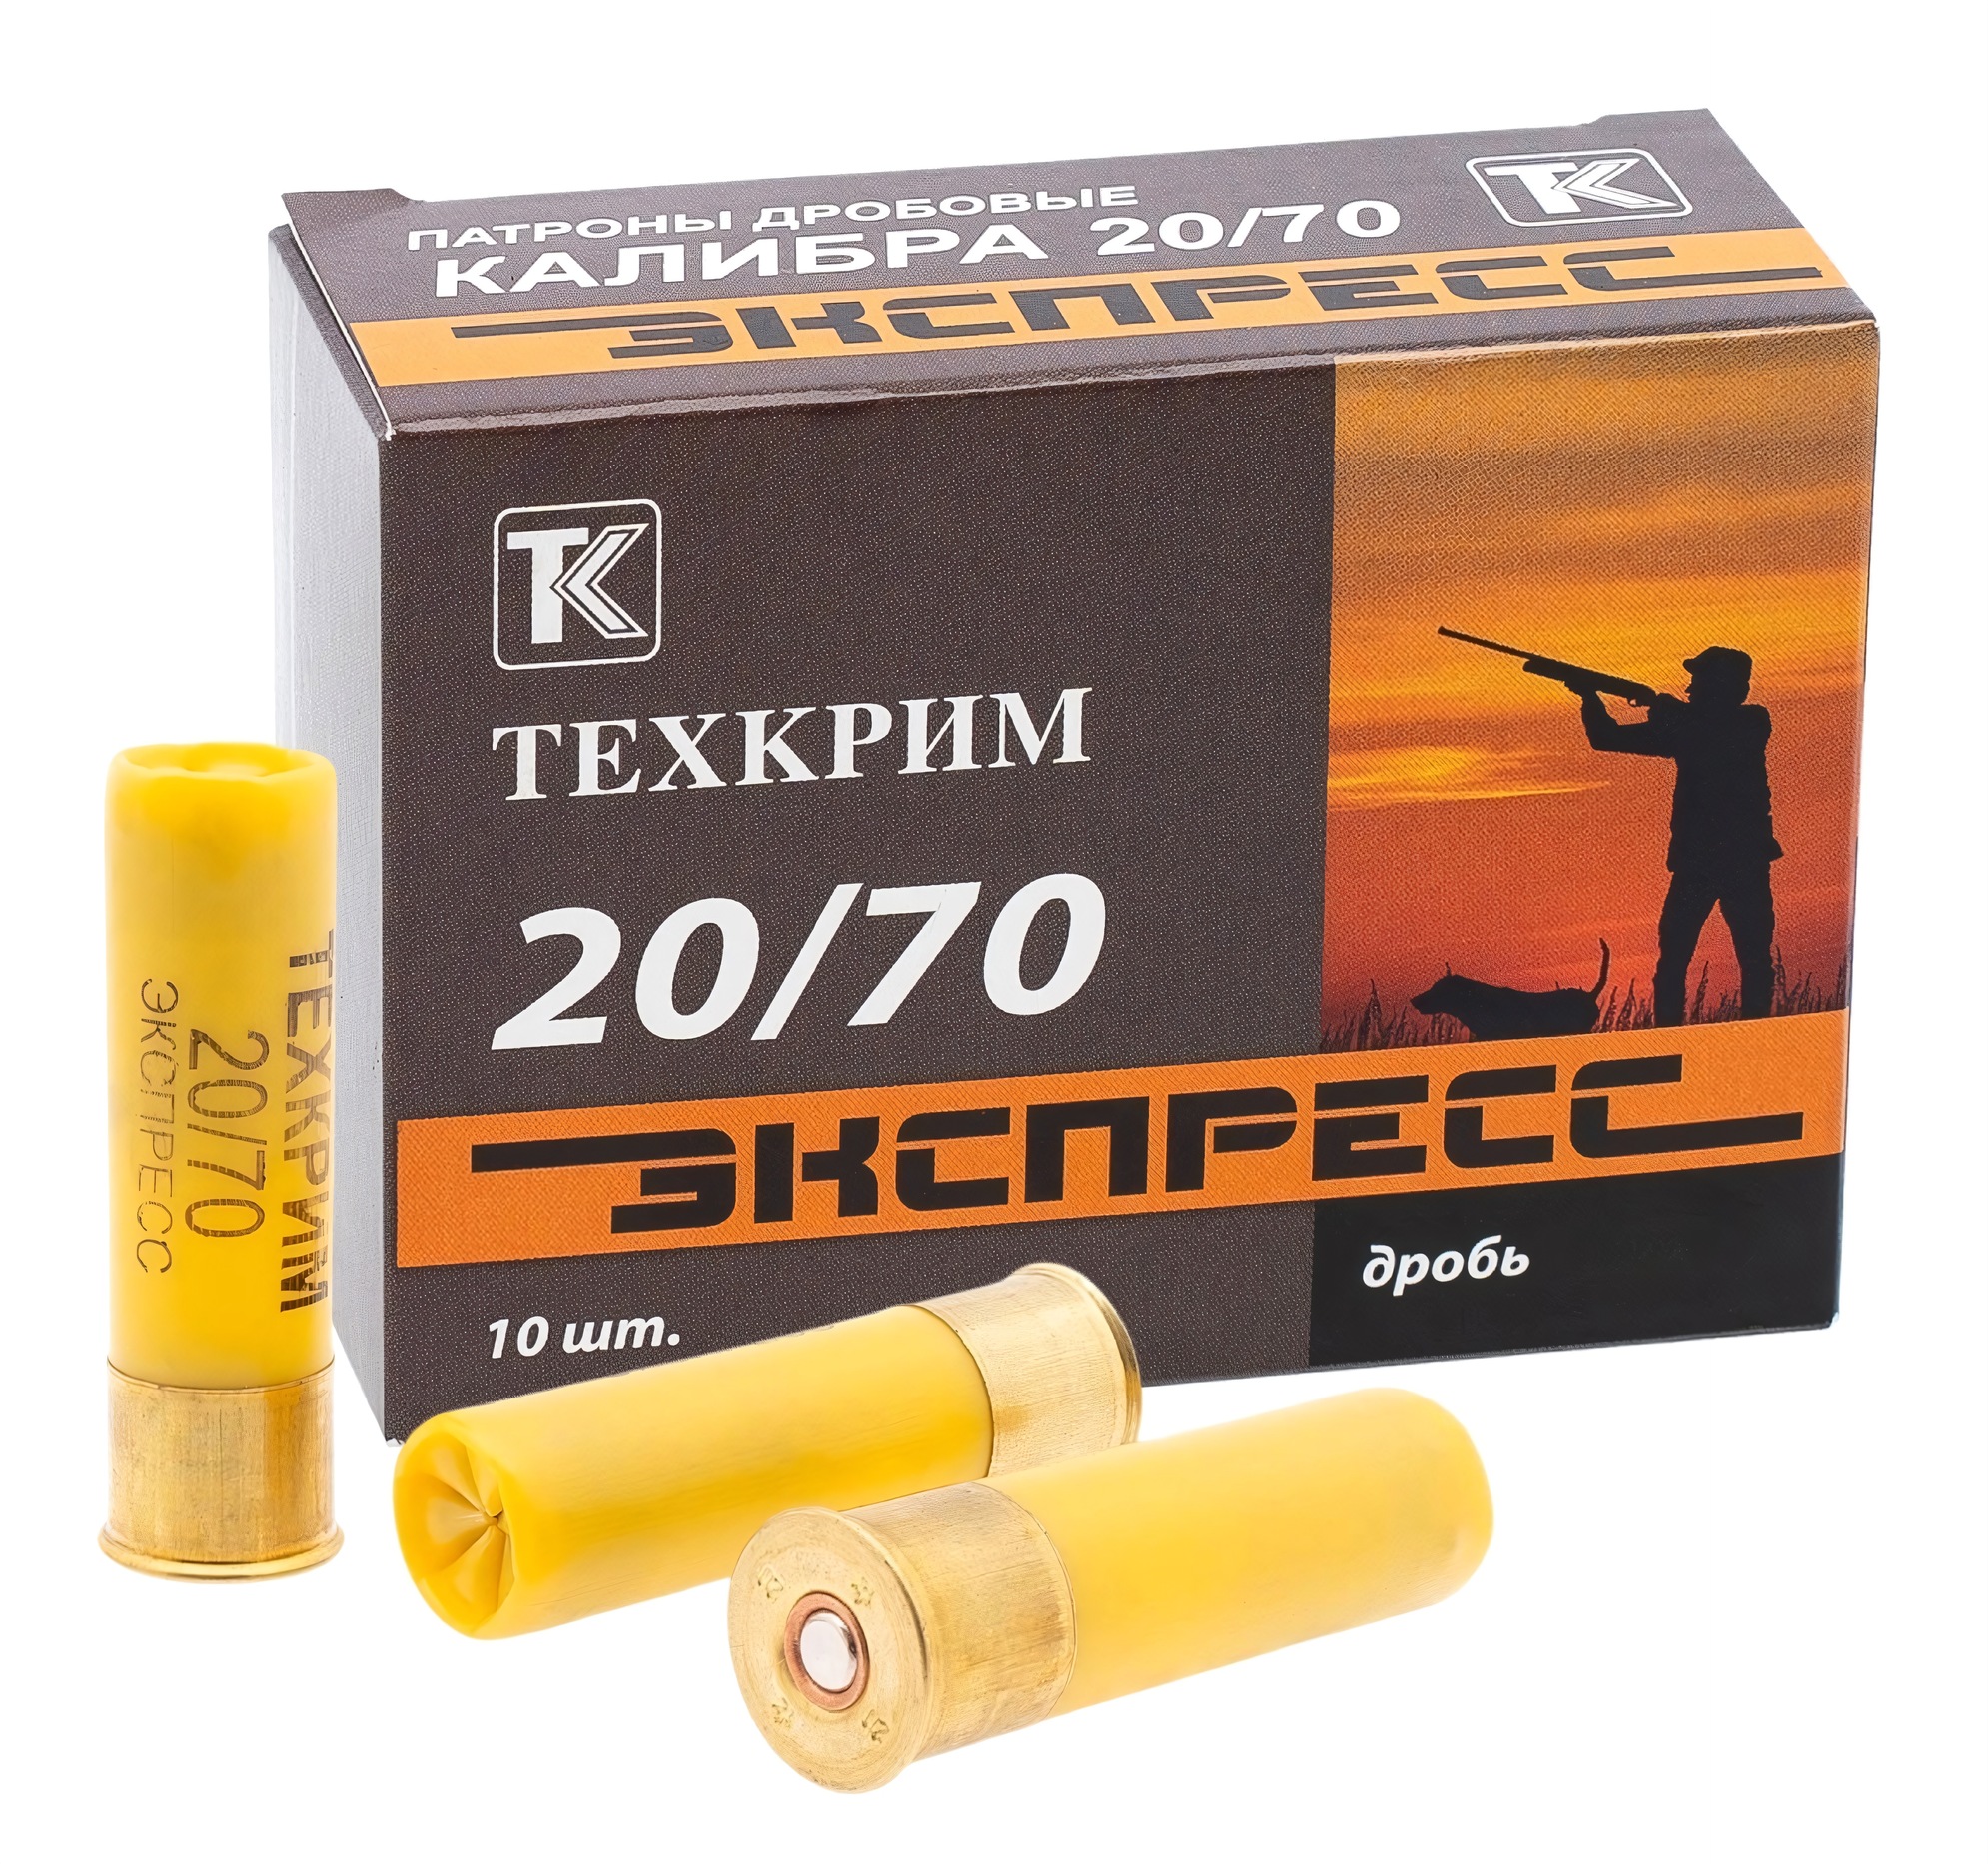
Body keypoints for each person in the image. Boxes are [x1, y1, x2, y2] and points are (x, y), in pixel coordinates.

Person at [1574, 646, 1781, 1025]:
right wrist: (1590, 695)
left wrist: (1663, 707)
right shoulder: (1685, 729)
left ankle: (1758, 1034)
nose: (1690, 688)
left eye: (1699, 681)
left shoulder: (1751, 722)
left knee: (1753, 959)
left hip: (1737, 861)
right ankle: (1670, 1035)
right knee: (1673, 960)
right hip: (1699, 863)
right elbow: (1606, 738)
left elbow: (1707, 733)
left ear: (1724, 687)